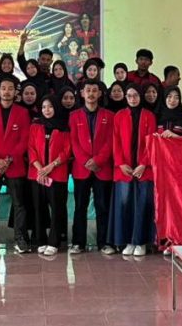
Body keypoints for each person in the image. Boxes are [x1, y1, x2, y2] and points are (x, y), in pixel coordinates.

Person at [0, 76, 32, 254]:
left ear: (15, 91)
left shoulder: (22, 112)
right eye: (4, 88)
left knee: (19, 203)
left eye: (10, 88)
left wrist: (8, 159)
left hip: (14, 164)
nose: (7, 91)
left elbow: (24, 139)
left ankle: (20, 238)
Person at [69, 80, 116, 254]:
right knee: (80, 207)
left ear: (100, 94)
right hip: (82, 169)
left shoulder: (109, 115)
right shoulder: (74, 116)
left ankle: (105, 242)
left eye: (94, 90)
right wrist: (86, 161)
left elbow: (110, 141)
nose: (91, 94)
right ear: (82, 93)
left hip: (102, 168)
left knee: (103, 206)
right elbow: (73, 142)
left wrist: (98, 160)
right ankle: (78, 243)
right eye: (87, 90)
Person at [111, 84, 156, 256]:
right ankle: (128, 241)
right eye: (129, 96)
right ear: (125, 97)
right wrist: (121, 163)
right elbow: (115, 142)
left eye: (135, 95)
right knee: (125, 205)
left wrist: (143, 163)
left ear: (141, 96)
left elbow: (151, 142)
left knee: (143, 204)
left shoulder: (149, 116)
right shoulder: (119, 115)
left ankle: (141, 242)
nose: (132, 99)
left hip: (144, 168)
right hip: (124, 169)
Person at [28, 95, 71, 256]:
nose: (47, 110)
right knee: (38, 208)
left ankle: (54, 241)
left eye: (50, 106)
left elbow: (67, 150)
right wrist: (40, 169)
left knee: (57, 208)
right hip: (37, 174)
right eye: (44, 107)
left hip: (57, 174)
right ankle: (40, 240)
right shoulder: (35, 126)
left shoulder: (64, 127)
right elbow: (31, 148)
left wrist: (51, 166)